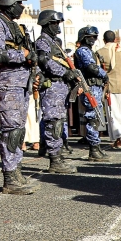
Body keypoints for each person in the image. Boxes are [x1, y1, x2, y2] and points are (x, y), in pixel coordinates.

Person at [0, 0, 40, 195]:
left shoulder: (16, 27)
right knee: (11, 131)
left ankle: (16, 171)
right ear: (9, 2)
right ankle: (10, 177)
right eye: (19, 3)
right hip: (8, 84)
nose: (21, 7)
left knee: (18, 130)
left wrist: (31, 59)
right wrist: (23, 55)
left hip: (21, 83)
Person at [35, 10, 78, 174]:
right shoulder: (43, 42)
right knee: (53, 123)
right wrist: (65, 73)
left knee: (59, 123)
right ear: (46, 24)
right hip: (52, 87)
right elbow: (45, 62)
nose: (57, 26)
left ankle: (58, 156)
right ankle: (54, 160)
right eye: (54, 23)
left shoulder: (55, 42)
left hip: (61, 88)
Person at [73, 26, 114, 161]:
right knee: (92, 117)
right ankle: (93, 149)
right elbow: (91, 67)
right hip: (89, 87)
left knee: (96, 118)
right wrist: (104, 74)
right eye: (90, 37)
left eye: (94, 37)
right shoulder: (82, 51)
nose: (93, 39)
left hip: (96, 87)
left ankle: (96, 147)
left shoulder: (91, 51)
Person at [96, 30, 121, 148]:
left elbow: (98, 71)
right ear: (115, 39)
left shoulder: (100, 52)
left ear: (104, 40)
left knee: (113, 114)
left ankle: (118, 141)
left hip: (110, 88)